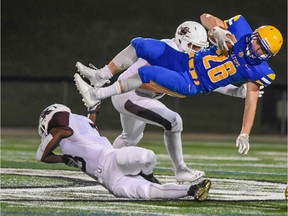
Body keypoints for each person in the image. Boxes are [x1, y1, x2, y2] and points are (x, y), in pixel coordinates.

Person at [74, 21, 263, 183]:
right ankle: (180, 169)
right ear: (182, 39)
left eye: (199, 48)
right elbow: (143, 80)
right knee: (174, 121)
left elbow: (208, 80)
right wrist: (169, 89)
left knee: (130, 138)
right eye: (195, 47)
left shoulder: (185, 57)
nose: (197, 52)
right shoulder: (167, 51)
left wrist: (236, 92)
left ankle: (104, 165)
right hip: (132, 95)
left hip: (139, 97)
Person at [35, 103, 211, 200]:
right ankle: (192, 190)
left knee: (147, 156)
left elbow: (41, 155)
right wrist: (93, 109)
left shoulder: (62, 131)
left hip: (111, 159)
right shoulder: (80, 122)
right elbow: (90, 126)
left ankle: (148, 176)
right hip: (110, 181)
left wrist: (62, 158)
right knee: (150, 193)